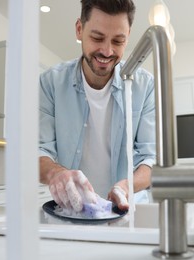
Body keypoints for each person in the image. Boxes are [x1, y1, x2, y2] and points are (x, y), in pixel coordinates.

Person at [39, 0, 155, 212]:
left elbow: (152, 158)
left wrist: (126, 186)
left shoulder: (145, 86)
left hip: (129, 211)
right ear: (79, 29)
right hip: (73, 210)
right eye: (97, 38)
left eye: (118, 41)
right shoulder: (50, 83)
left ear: (128, 36)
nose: (107, 51)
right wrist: (57, 174)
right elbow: (37, 151)